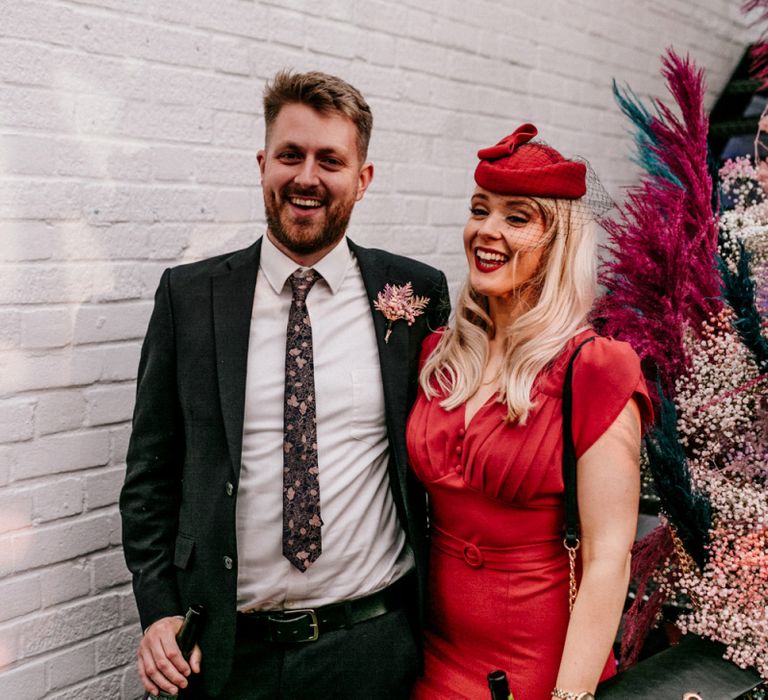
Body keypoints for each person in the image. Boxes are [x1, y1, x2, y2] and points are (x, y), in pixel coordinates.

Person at [120, 70, 450, 699]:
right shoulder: (190, 298)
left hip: (372, 646)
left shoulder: (412, 295)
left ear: (363, 178)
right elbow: (149, 479)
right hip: (225, 654)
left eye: (331, 160)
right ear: (262, 162)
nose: (307, 177)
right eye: (290, 155)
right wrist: (159, 607)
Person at [406, 123, 653, 700]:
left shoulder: (595, 369)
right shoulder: (439, 354)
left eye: (517, 217)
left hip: (537, 671)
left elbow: (608, 559)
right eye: (479, 210)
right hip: (429, 659)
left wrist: (569, 698)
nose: (487, 231)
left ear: (558, 242)